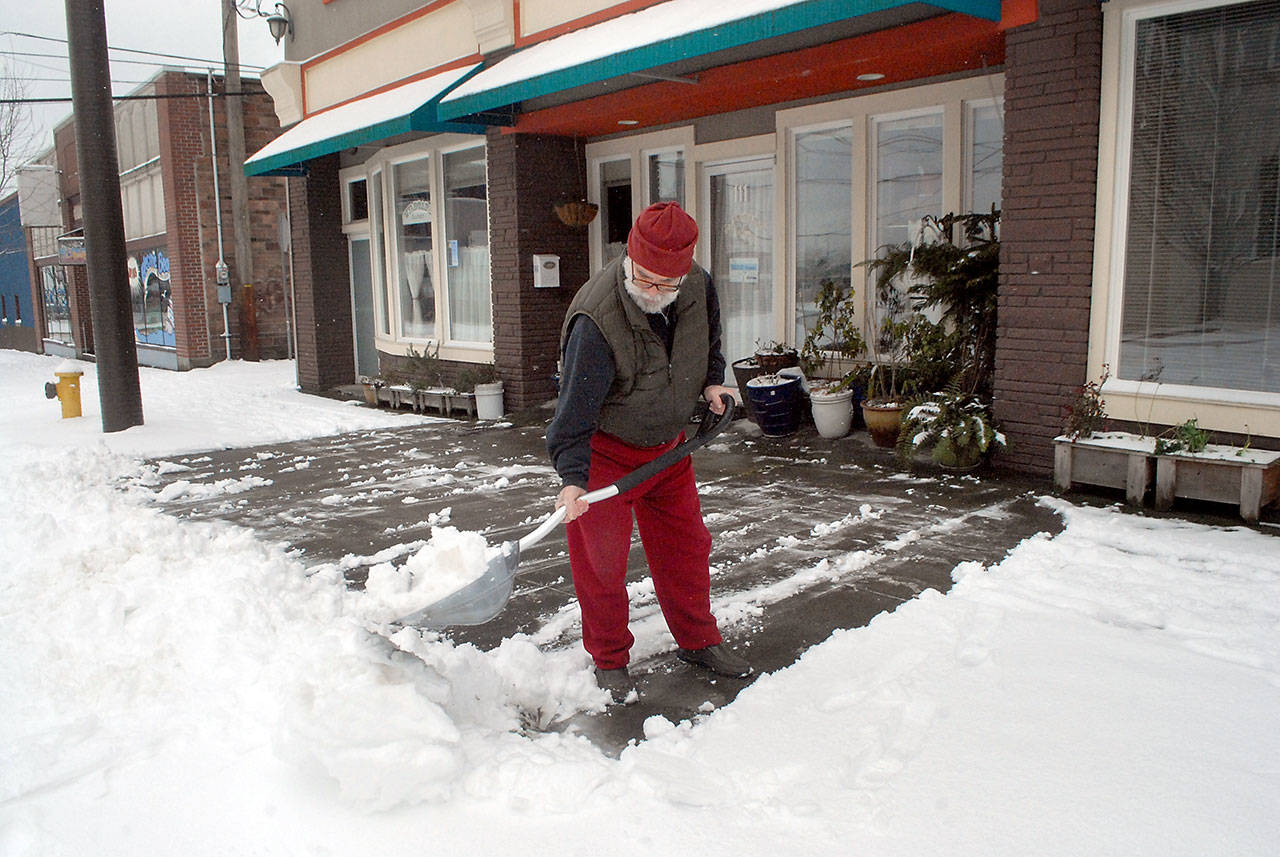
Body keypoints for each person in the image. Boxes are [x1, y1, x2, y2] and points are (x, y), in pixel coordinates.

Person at [546, 201, 752, 704]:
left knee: (687, 549)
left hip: (668, 450)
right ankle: (609, 660)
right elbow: (573, 411)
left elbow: (708, 339)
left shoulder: (696, 285)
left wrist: (711, 381)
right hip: (607, 456)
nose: (655, 292)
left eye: (667, 284)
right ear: (629, 257)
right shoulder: (597, 318)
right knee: (602, 564)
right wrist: (572, 479)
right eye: (645, 279)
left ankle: (698, 640)